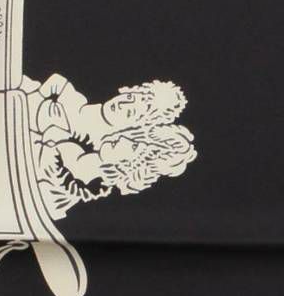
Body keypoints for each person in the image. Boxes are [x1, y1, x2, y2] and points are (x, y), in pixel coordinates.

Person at [20, 74, 196, 220]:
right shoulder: (81, 120)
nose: (122, 104)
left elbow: (55, 139)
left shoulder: (92, 168)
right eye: (131, 97)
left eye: (131, 112)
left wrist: (49, 119)